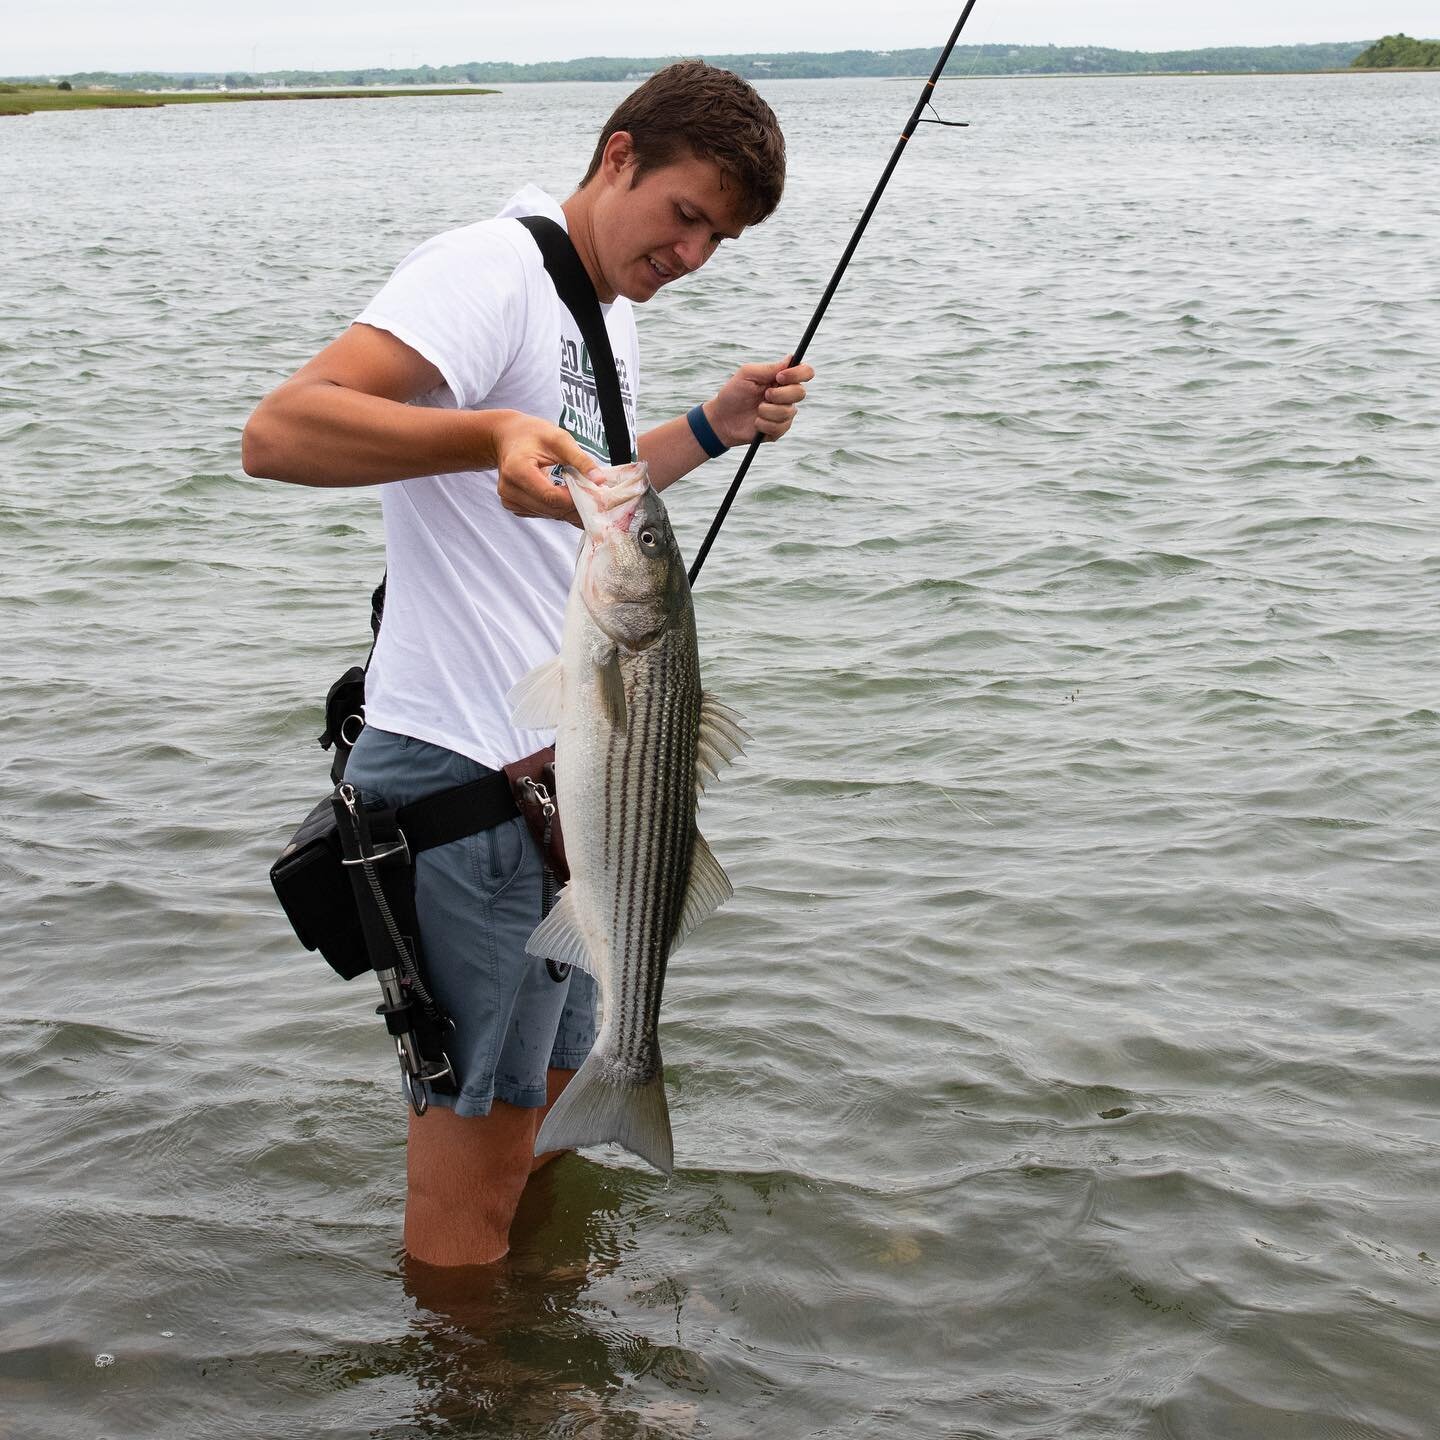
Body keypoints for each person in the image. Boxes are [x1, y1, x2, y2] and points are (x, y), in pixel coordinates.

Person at [244, 61, 813, 1267]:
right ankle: (477, 1391)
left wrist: (710, 427)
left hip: (562, 793)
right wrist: (488, 429)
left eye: (724, 239)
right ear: (620, 158)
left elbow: (585, 504)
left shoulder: (601, 315)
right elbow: (281, 431)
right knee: (471, 1179)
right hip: (462, 779)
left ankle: (540, 1356)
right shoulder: (493, 268)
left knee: (544, 1129)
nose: (696, 254)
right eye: (688, 216)